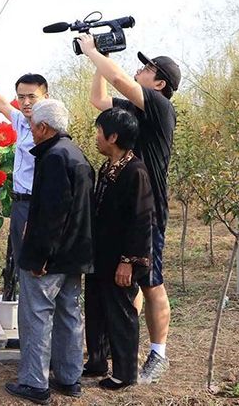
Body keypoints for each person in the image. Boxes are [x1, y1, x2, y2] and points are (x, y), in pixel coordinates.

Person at [78, 35, 181, 383]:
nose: (140, 70)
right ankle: (117, 351)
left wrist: (93, 51)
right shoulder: (134, 110)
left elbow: (120, 78)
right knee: (125, 284)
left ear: (160, 83)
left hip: (147, 210)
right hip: (126, 208)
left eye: (148, 68)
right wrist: (99, 60)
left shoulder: (160, 108)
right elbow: (98, 99)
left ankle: (158, 353)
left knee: (151, 282)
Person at [5, 99, 95, 404]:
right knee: (70, 313)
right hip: (74, 253)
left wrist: (41, 255)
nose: (30, 130)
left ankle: (35, 383)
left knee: (36, 315)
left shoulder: (54, 157)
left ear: (44, 127)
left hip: (51, 257)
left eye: (32, 126)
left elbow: (53, 215)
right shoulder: (76, 154)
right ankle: (69, 378)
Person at [84, 108, 154, 390]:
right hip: (101, 254)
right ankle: (97, 361)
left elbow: (142, 220)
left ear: (113, 136)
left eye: (99, 132)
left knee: (121, 313)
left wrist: (128, 261)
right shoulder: (108, 167)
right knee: (97, 308)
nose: (96, 138)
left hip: (120, 258)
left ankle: (125, 372)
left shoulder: (135, 171)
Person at [0, 74, 48, 264]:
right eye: (21, 97)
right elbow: (1, 105)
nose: (26, 102)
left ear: (45, 97)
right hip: (20, 203)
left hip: (39, 204)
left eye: (32, 97)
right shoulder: (22, 122)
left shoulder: (49, 130)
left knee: (36, 262)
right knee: (22, 261)